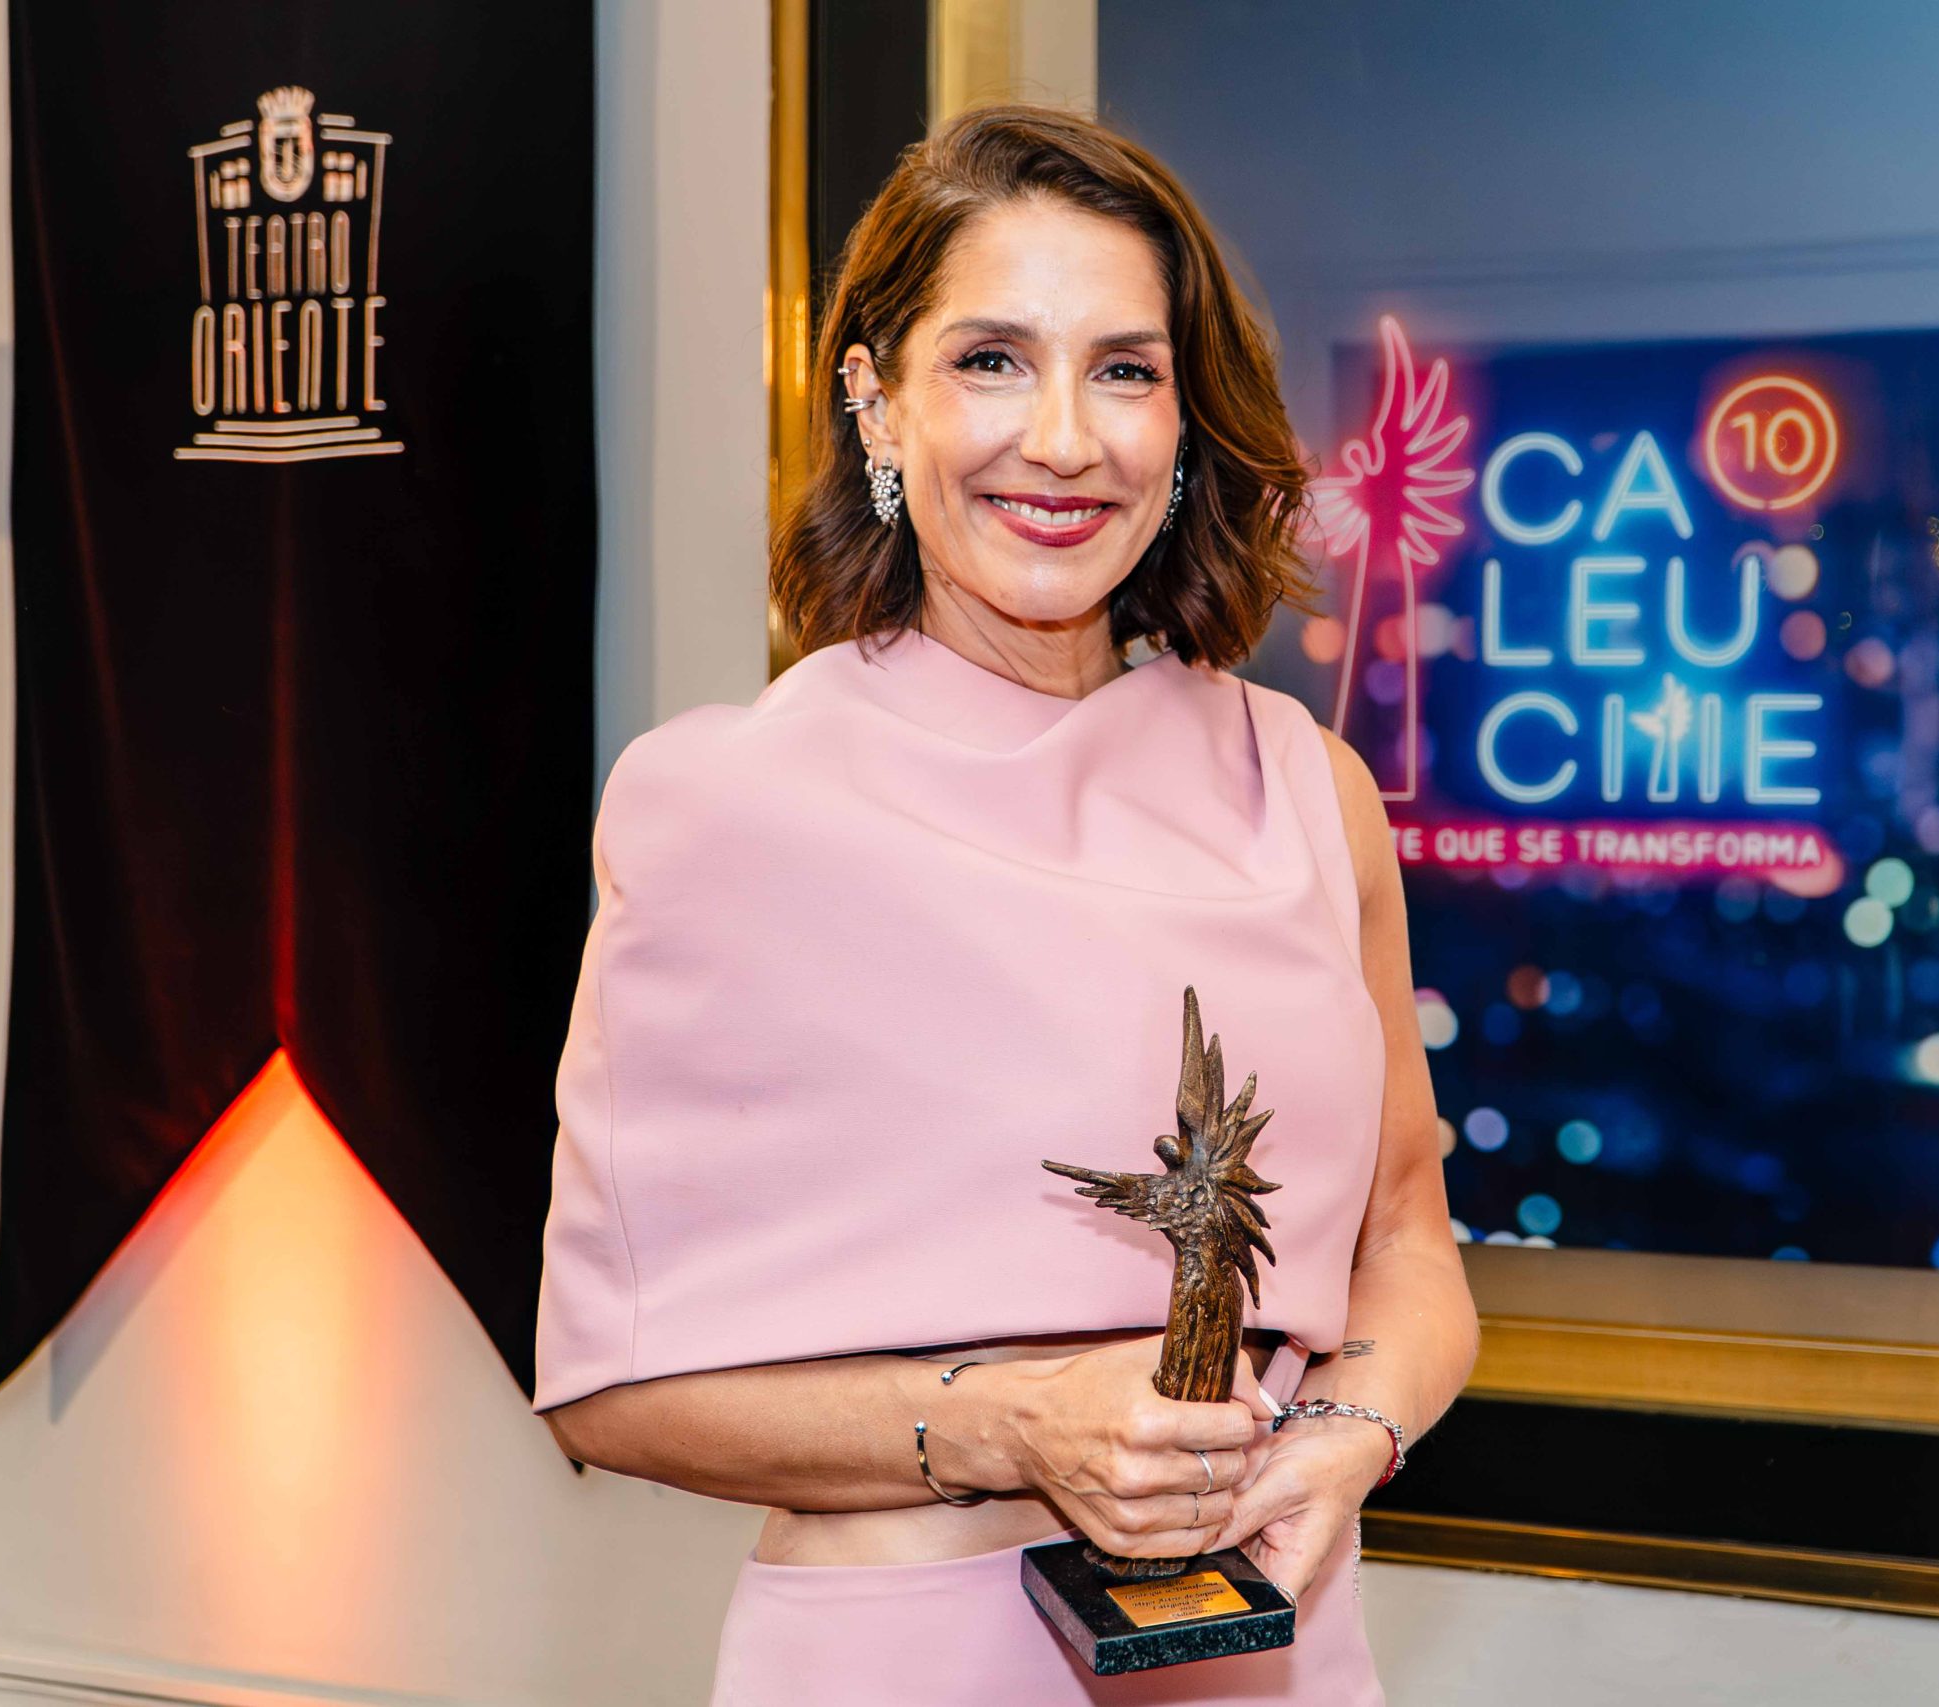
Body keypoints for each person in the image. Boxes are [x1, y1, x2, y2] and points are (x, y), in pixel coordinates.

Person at [531, 103, 1480, 1705]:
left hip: (1270, 1650)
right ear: (877, 399)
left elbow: (1407, 1242)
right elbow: (607, 1388)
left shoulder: (1308, 791)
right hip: (905, 1659)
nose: (1062, 438)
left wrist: (1345, 1437)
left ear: (1185, 421)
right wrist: (1008, 1426)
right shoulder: (724, 806)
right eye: (991, 360)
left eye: (1125, 371)